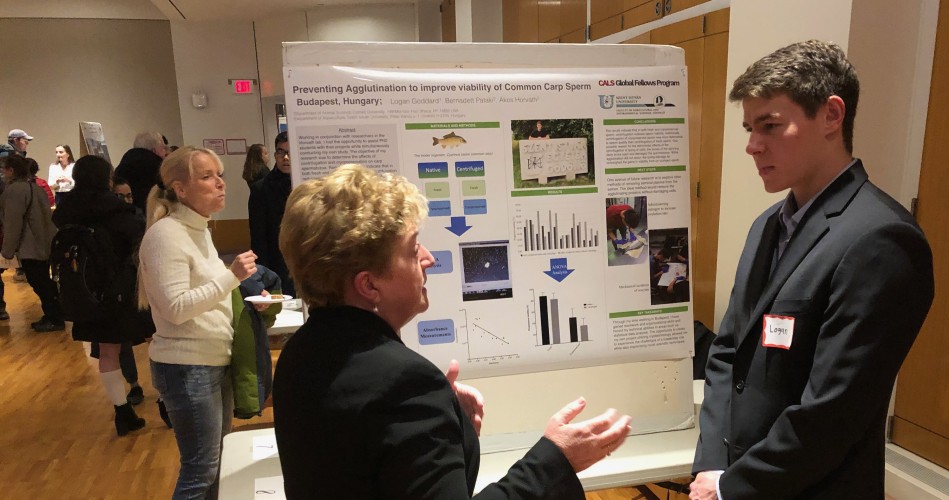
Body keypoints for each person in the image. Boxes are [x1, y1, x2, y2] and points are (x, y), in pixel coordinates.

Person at [273, 164, 632, 499]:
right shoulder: (405, 383)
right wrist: (555, 460)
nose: (428, 258)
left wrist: (446, 426)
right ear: (369, 285)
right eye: (412, 250)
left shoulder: (299, 354)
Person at [689, 40, 934, 500]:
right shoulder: (767, 226)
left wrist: (730, 487)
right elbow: (728, 353)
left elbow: (832, 413)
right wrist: (712, 467)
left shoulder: (881, 240)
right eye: (749, 128)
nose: (752, 145)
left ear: (831, 116)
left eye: (770, 125)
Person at [138, 146, 259, 499]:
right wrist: (232, 277)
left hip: (211, 360)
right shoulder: (165, 235)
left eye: (219, 174)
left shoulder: (199, 229)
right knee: (201, 468)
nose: (220, 183)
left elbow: (208, 293)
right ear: (180, 189)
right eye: (207, 176)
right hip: (187, 367)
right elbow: (176, 308)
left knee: (216, 463)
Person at [53, 155, 153, 435]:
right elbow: (138, 238)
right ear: (107, 178)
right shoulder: (116, 209)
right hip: (124, 287)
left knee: (108, 352)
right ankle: (166, 404)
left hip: (86, 290)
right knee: (154, 340)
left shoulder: (66, 211)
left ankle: (122, 411)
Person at [0, 155, 64, 332]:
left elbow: (13, 222)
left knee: (39, 281)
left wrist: (7, 251)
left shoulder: (15, 191)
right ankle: (54, 314)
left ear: (11, 170)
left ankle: (54, 316)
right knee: (43, 280)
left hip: (30, 245)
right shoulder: (36, 188)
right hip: (44, 242)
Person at [248, 131, 293, 295]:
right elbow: (258, 237)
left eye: (290, 152)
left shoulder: (309, 186)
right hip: (277, 263)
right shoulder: (261, 189)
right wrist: (262, 278)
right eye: (281, 152)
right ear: (275, 155)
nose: (286, 158)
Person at [114, 131, 169, 212]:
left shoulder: (125, 162)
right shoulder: (156, 166)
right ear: (155, 150)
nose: (166, 152)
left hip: (127, 212)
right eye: (163, 148)